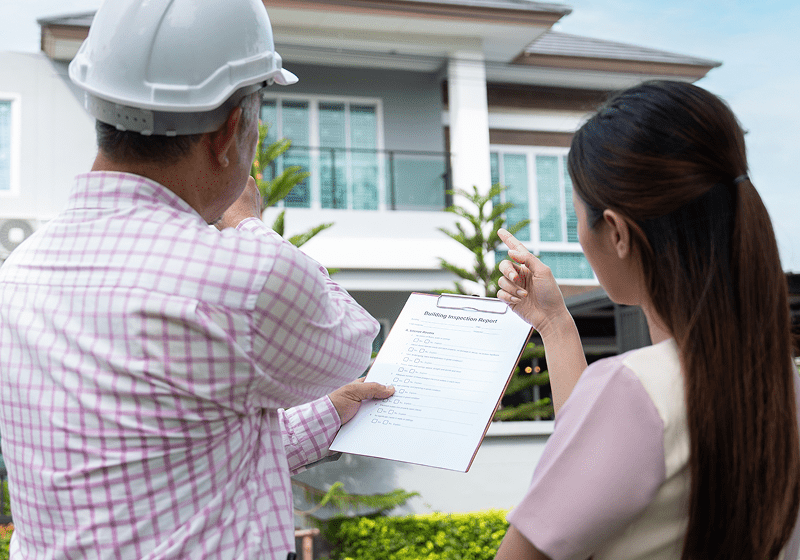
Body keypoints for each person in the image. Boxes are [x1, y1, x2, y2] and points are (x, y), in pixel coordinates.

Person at [0, 1, 393, 558]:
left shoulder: (18, 275)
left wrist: (330, 413)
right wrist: (247, 222)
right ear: (230, 130)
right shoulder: (239, 277)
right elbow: (352, 340)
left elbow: (170, 457)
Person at [492, 80, 800, 560]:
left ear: (615, 230)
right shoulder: (785, 383)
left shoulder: (634, 390)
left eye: (577, 213)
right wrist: (554, 323)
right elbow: (610, 449)